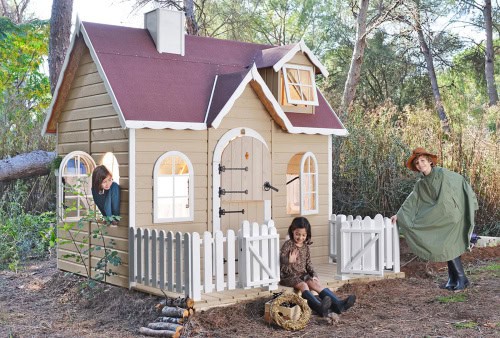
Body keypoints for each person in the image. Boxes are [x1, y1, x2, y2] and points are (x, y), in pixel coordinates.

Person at [391, 148, 478, 291]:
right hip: (441, 218)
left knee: (449, 246)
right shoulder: (421, 183)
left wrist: (465, 203)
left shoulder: (443, 174)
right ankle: (454, 278)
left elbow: (460, 182)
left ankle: (461, 278)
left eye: (423, 161)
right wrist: (399, 215)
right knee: (446, 247)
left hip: (453, 216)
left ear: (430, 162)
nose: (420, 164)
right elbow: (413, 200)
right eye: (417, 163)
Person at [280, 217, 356, 316]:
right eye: (297, 234)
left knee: (315, 284)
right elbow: (281, 259)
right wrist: (288, 260)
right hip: (288, 276)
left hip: (302, 274)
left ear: (307, 234)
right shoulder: (288, 244)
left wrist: (314, 274)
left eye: (303, 235)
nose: (300, 237)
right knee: (304, 285)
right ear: (292, 231)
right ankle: (319, 307)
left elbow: (308, 264)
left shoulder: (306, 247)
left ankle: (338, 304)